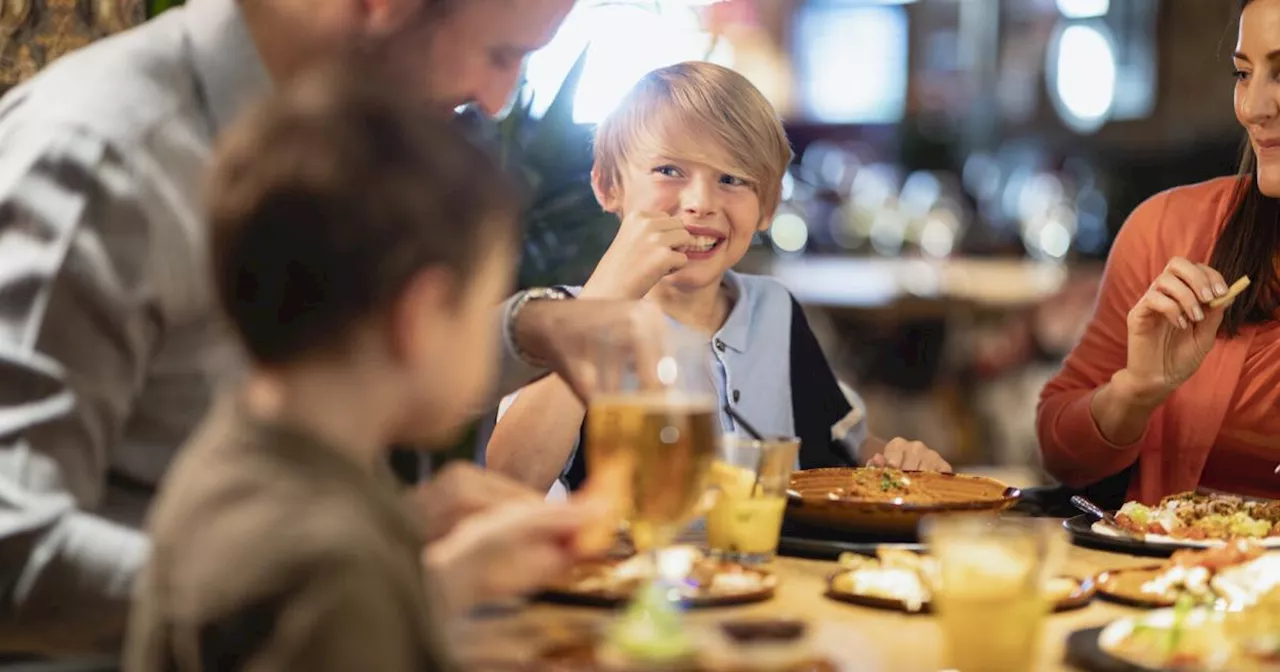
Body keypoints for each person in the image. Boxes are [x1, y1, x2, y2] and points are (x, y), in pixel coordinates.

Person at [0, 0, 664, 654]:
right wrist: (360, 581)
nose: (494, 101)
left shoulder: (317, 134)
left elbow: (354, 360)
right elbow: (11, 549)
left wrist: (387, 539)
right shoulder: (102, 159)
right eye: (500, 54)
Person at [125, 62, 598, 671]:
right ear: (421, 318)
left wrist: (438, 575)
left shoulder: (239, 455)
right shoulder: (334, 567)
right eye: (482, 301)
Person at [486, 62, 951, 497]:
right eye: (669, 171)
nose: (700, 203)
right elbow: (510, 478)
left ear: (766, 208)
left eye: (732, 179)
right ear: (609, 186)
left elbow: (846, 447)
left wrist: (896, 461)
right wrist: (602, 302)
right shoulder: (559, 319)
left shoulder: (775, 311)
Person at [1038, 0, 1280, 504]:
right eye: (1243, 73)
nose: (1252, 107)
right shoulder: (1167, 230)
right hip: (1171, 578)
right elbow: (1061, 450)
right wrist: (1138, 389)